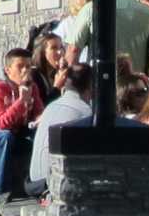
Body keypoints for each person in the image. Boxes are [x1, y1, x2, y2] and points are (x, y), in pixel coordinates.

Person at [0, 47, 42, 198]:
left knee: (40, 137)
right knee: (5, 137)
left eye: (28, 66)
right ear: (8, 70)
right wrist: (21, 101)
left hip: (19, 130)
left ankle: (37, 185)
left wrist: (40, 120)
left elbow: (38, 111)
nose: (25, 70)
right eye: (20, 66)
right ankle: (1, 190)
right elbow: (1, 123)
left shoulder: (32, 86)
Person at [27, 61, 97, 197]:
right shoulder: (85, 113)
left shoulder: (51, 107)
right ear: (92, 85)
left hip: (34, 180)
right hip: (52, 185)